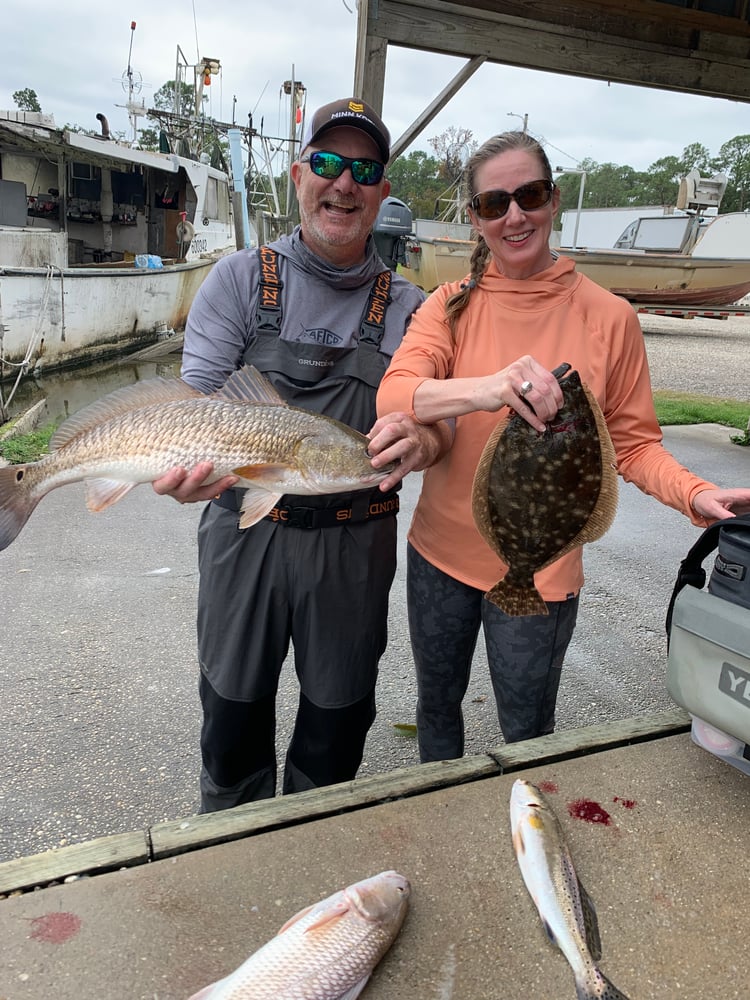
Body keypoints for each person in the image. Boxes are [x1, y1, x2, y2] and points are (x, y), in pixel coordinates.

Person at [375, 130, 750, 763]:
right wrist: (489, 389)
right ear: (476, 218)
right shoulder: (449, 305)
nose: (514, 215)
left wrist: (698, 493)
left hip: (540, 574)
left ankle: (529, 831)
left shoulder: (609, 317)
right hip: (439, 557)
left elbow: (631, 447)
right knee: (436, 706)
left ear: (553, 202)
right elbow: (397, 394)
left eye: (530, 195)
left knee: (527, 726)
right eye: (495, 203)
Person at [152, 98, 451, 810]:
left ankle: (315, 867)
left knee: (336, 727)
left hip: (355, 548)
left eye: (362, 169)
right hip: (243, 536)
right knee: (229, 719)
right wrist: (180, 469)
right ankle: (232, 849)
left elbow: (445, 433)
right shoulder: (238, 280)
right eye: (325, 163)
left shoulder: (414, 308)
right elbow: (193, 408)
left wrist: (430, 437)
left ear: (382, 191)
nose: (342, 184)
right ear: (297, 176)